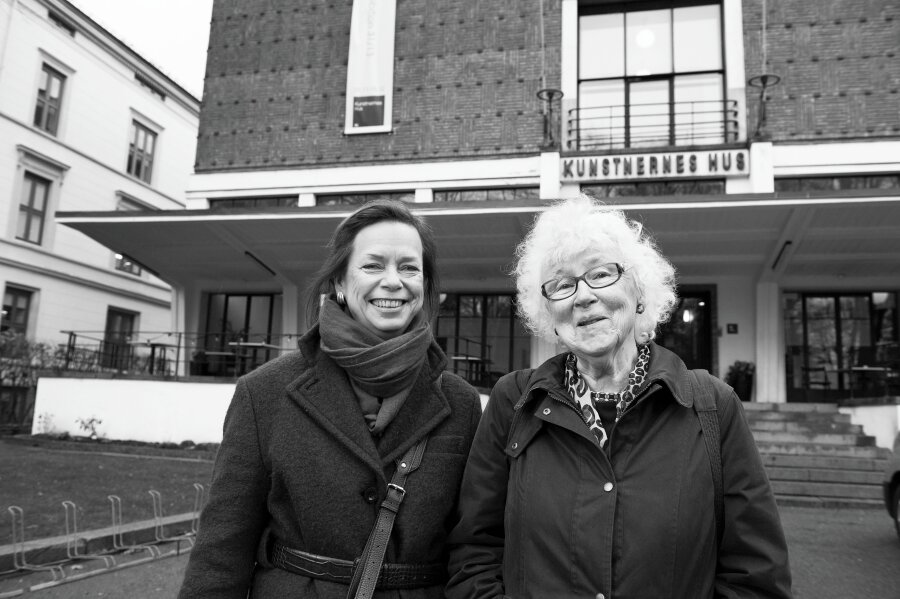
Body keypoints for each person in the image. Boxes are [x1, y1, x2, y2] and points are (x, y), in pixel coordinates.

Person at [446, 196, 792, 599]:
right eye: (562, 285)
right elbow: (473, 552)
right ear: (549, 314)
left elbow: (755, 575)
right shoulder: (513, 401)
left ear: (639, 292)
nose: (582, 296)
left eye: (601, 274)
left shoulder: (713, 405)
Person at [179, 200, 482, 598]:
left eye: (409, 267)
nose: (393, 281)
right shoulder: (265, 392)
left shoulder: (461, 402)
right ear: (339, 281)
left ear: (424, 286)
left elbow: (473, 544)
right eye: (373, 265)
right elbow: (222, 548)